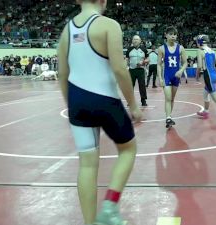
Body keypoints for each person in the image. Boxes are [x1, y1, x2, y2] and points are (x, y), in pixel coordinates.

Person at [57, 0, 143, 224]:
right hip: (105, 100)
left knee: (86, 164)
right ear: (103, 1)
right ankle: (109, 208)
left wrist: (72, 106)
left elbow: (62, 73)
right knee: (128, 150)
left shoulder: (67, 31)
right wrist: (133, 104)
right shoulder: (108, 25)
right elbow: (119, 69)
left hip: (77, 102)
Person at [157, 26, 188, 128]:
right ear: (166, 35)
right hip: (167, 76)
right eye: (170, 34)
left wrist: (181, 71)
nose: (173, 36)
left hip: (176, 77)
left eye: (174, 34)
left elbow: (185, 63)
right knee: (168, 98)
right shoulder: (162, 48)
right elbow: (159, 64)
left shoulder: (181, 48)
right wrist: (160, 78)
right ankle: (168, 118)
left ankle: (169, 116)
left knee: (172, 98)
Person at [126, 35, 149, 106]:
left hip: (140, 70)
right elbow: (127, 59)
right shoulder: (129, 49)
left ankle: (143, 100)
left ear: (140, 41)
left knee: (142, 86)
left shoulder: (144, 49)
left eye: (137, 39)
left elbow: (148, 59)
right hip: (131, 70)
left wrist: (142, 62)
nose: (135, 41)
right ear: (132, 41)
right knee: (130, 86)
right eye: (134, 39)